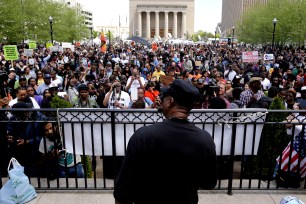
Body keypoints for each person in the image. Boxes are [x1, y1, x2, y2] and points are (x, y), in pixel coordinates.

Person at [114, 79, 217, 204]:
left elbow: (122, 191)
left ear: (170, 101)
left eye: (164, 98)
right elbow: (209, 183)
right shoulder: (205, 139)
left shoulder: (143, 136)